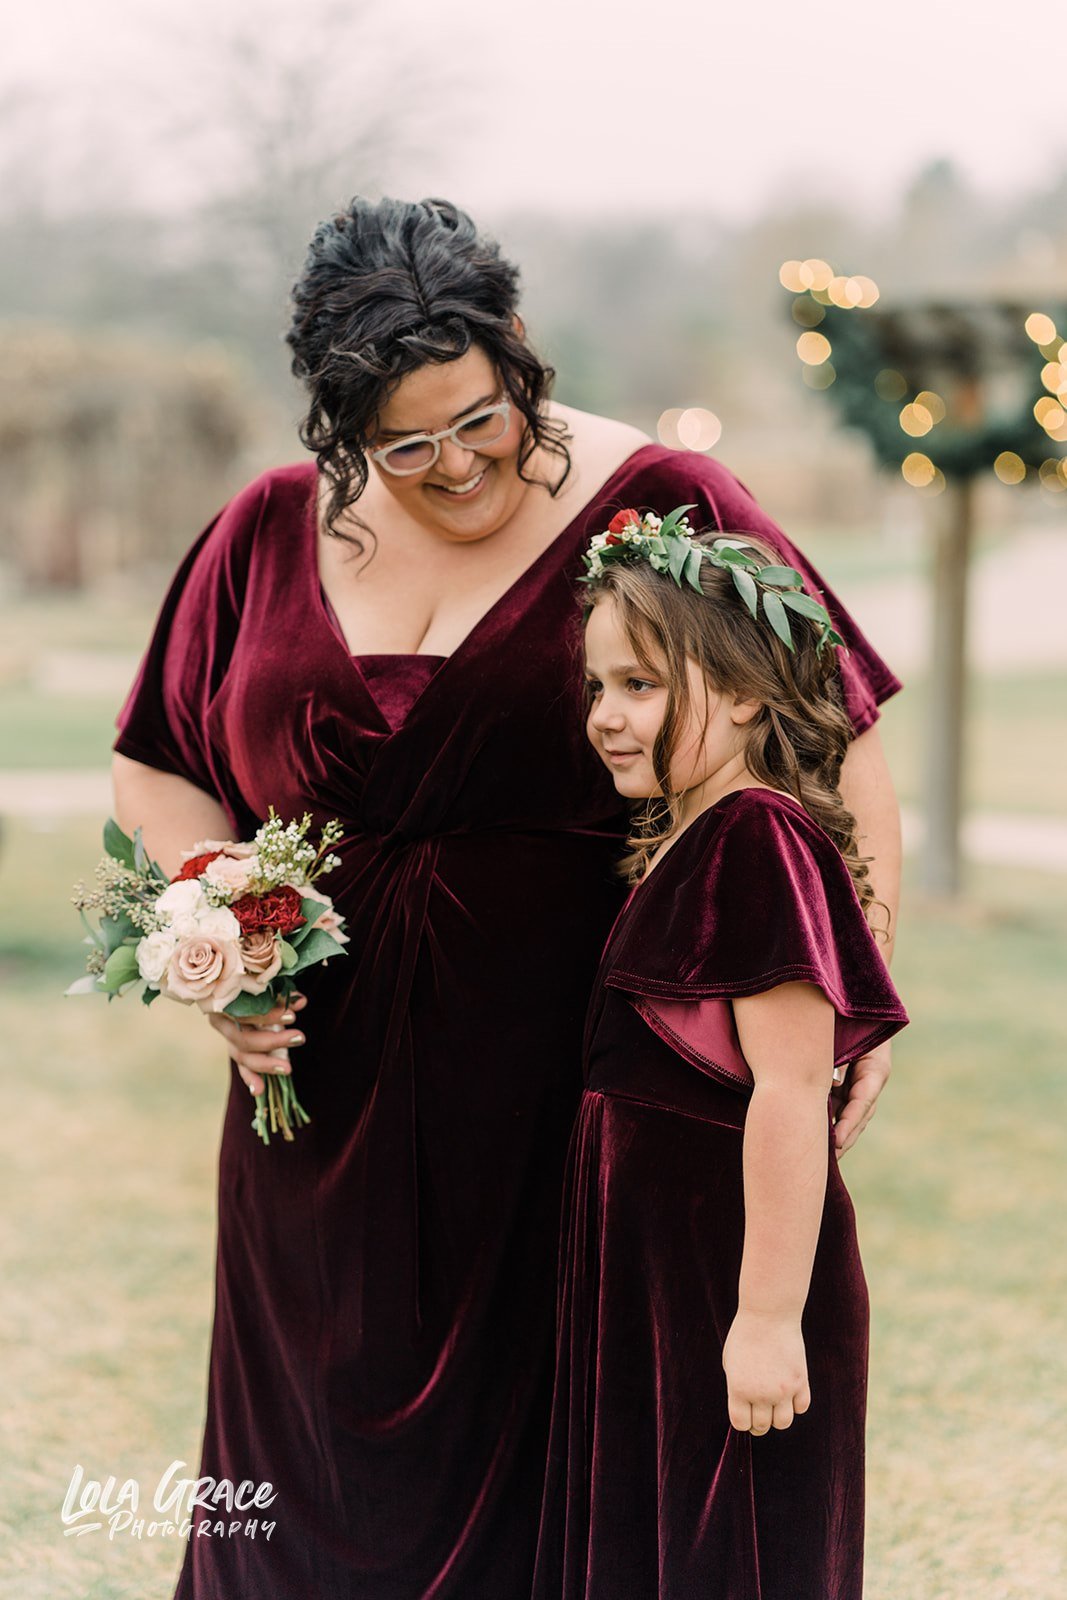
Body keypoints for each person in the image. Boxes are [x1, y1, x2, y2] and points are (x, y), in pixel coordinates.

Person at [111, 196, 903, 1599]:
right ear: (336, 425)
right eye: (401, 445)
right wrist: (222, 936)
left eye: (477, 418)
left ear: (516, 350)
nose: (454, 466)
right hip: (319, 1131)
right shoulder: (262, 529)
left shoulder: (664, 499)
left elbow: (834, 731)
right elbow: (160, 768)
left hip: (574, 1122)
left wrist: (855, 996)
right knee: (303, 1491)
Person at [531, 511, 909, 1600]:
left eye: (641, 686)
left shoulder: (757, 837)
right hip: (657, 1275)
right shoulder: (688, 836)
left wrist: (762, 1318)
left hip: (729, 1275)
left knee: (726, 1551)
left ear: (745, 693)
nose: (606, 716)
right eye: (597, 686)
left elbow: (790, 1093)